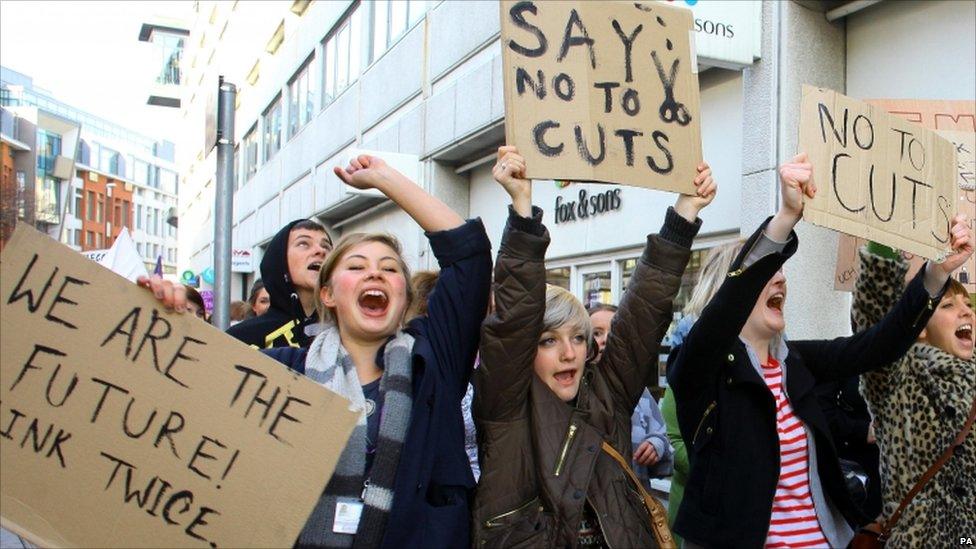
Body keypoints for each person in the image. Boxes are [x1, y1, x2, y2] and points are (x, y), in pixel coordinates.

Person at [667, 153, 970, 548]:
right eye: (768, 273)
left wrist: (938, 272)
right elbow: (729, 304)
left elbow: (880, 344)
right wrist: (786, 217)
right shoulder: (700, 368)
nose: (780, 279)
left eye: (782, 273)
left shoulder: (796, 362)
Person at [473, 145, 716, 547]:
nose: (569, 353)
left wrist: (685, 213)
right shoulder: (506, 408)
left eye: (579, 338)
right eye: (548, 340)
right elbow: (513, 321)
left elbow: (641, 314)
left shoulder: (607, 397)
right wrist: (521, 209)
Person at [265, 154, 492, 547]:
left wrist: (386, 179)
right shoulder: (285, 370)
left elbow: (468, 254)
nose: (374, 273)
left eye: (389, 269)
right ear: (328, 294)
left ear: (404, 296)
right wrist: (164, 311)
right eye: (356, 267)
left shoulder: (433, 362)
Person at [853, 235, 974, 545]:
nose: (966, 312)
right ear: (919, 327)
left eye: (968, 305)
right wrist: (886, 236)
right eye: (948, 304)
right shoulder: (898, 378)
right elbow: (875, 318)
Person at [659, 240, 743, 545]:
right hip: (702, 519)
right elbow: (674, 438)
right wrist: (729, 466)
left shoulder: (777, 353)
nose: (779, 281)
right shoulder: (692, 354)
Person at [589, 303, 674, 486]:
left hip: (636, 504)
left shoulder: (639, 392)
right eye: (596, 333)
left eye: (613, 332)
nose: (605, 339)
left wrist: (656, 445)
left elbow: (663, 439)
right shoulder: (573, 391)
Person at [226, 219, 333, 348]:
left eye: (326, 246)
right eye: (304, 244)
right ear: (279, 259)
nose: (320, 251)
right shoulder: (241, 338)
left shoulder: (349, 331)